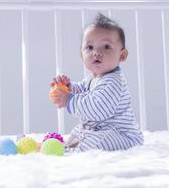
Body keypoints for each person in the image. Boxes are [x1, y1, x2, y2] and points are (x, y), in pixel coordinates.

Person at [49, 13, 144, 152]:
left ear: (122, 55)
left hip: (122, 135)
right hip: (98, 130)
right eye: (89, 47)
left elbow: (97, 108)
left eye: (106, 46)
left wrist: (68, 100)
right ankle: (68, 147)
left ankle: (71, 152)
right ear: (82, 55)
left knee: (98, 141)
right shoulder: (93, 78)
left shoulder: (114, 82)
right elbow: (82, 90)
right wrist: (68, 88)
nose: (96, 52)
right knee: (77, 133)